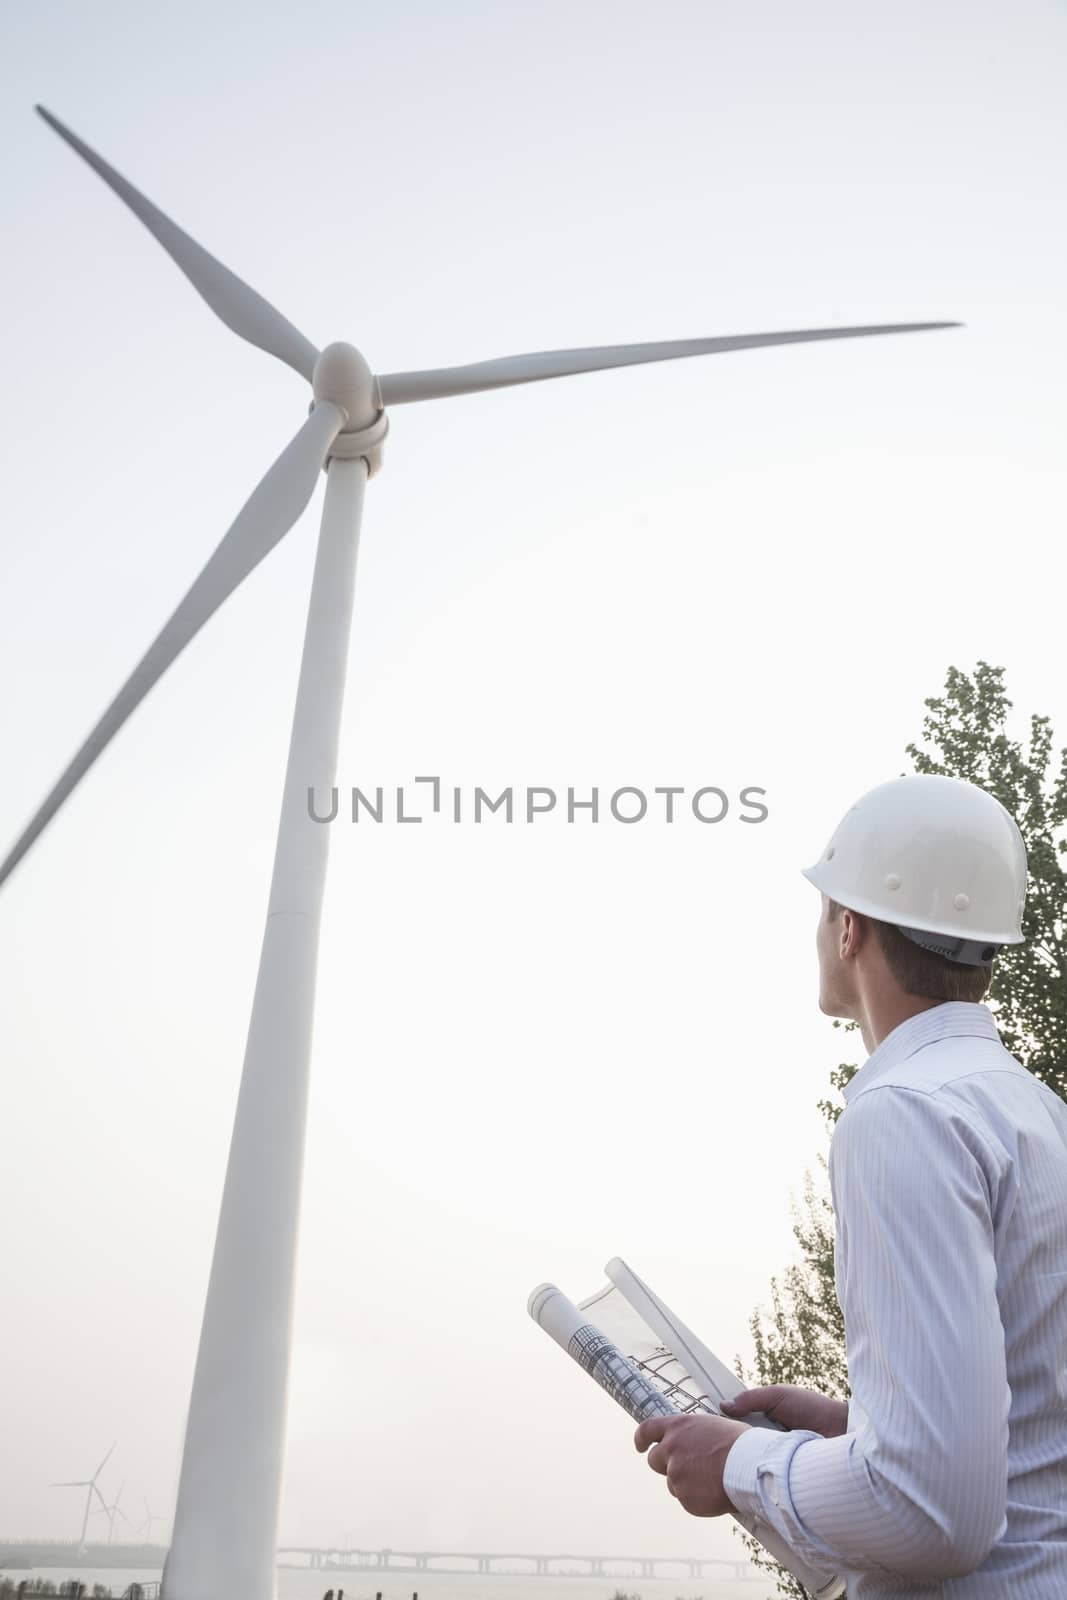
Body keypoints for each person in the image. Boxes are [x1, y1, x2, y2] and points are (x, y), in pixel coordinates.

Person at [635, 773, 1067, 1595]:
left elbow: (932, 1515)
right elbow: (1038, 1426)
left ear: (849, 929)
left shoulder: (902, 1115)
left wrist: (741, 1463)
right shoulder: (1035, 1109)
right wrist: (856, 1427)